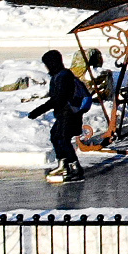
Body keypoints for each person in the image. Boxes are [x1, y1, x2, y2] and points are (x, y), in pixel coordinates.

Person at [26, 50, 87, 183]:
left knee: (63, 139)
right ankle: (63, 164)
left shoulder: (63, 76)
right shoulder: (58, 75)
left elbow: (59, 99)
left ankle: (75, 168)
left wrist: (38, 111)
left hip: (69, 113)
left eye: (47, 64)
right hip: (64, 113)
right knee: (55, 136)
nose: (46, 67)